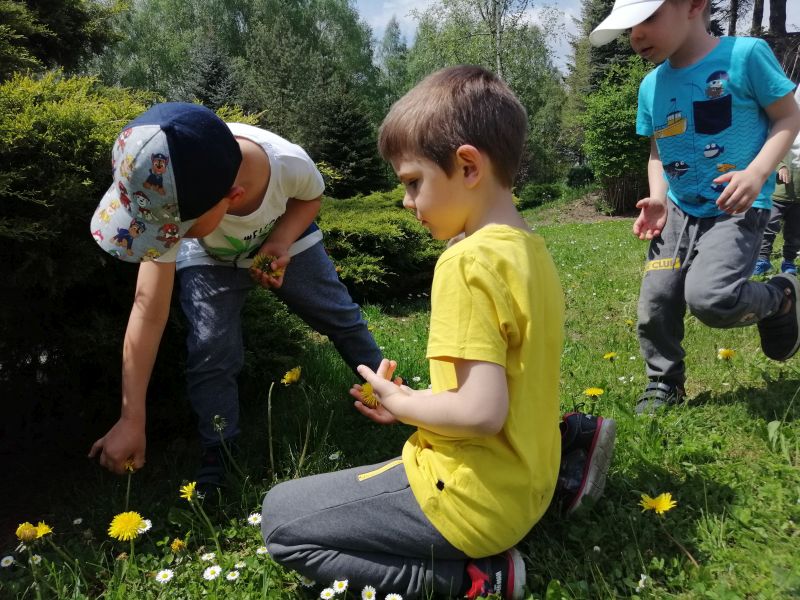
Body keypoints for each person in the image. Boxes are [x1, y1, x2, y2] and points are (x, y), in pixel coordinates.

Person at [260, 66, 617, 600]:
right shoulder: (531, 252)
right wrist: (413, 400)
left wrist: (400, 407)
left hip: (470, 500)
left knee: (280, 522)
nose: (407, 202)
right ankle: (570, 457)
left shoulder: (465, 262)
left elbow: (480, 413)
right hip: (527, 487)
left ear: (468, 165)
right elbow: (497, 391)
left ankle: (473, 580)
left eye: (412, 182)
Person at [87, 103, 383, 490]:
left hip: (283, 233)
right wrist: (131, 417)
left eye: (169, 230)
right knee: (211, 349)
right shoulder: (174, 197)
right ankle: (220, 450)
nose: (160, 239)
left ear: (234, 195)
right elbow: (148, 311)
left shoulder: (288, 164)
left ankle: (390, 392)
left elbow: (310, 199)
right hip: (208, 253)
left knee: (338, 315)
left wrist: (279, 243)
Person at [590, 0, 800, 414]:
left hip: (735, 207)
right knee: (655, 302)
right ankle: (664, 381)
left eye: (647, 18)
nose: (635, 35)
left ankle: (781, 299)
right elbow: (658, 152)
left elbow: (788, 118)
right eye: (629, 26)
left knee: (711, 299)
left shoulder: (745, 56)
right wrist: (656, 196)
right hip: (678, 211)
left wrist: (757, 173)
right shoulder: (651, 86)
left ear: (694, 6)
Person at [753, 86, 800, 277]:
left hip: (798, 198)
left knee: (795, 232)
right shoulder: (788, 128)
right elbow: (774, 146)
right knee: (769, 226)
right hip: (779, 193)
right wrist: (780, 165)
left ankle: (788, 261)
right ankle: (762, 259)